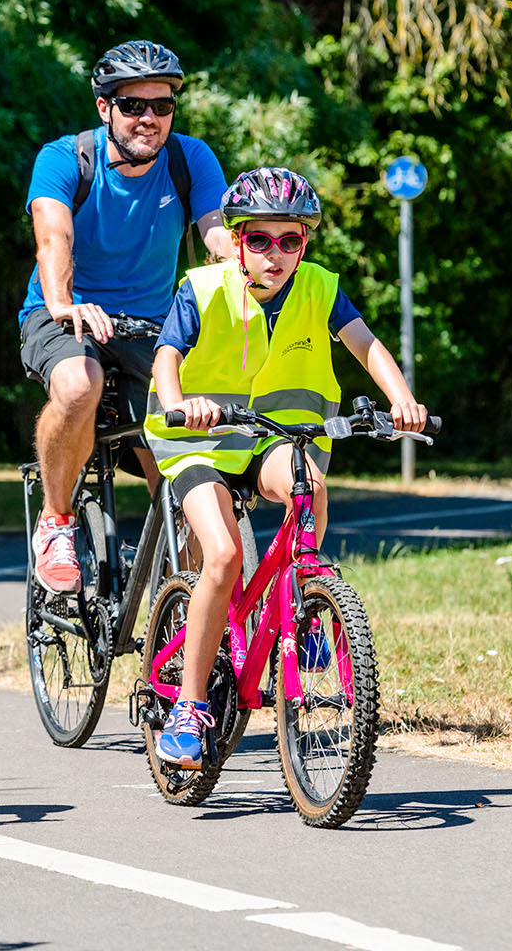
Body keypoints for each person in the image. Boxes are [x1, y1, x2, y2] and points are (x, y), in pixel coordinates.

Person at [143, 166, 428, 768]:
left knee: (311, 487)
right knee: (222, 555)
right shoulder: (204, 288)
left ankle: (303, 604)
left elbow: (365, 344)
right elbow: (166, 356)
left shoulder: (320, 289)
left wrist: (401, 397)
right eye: (261, 240)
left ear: (306, 244)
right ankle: (190, 708)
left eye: (291, 240)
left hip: (271, 438)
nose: (276, 255)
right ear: (238, 240)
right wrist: (177, 403)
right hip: (198, 443)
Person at [22, 39, 234, 596]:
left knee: (184, 448)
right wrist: (64, 300)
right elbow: (53, 235)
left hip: (153, 329)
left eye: (162, 106)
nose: (149, 119)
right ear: (104, 107)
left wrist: (244, 259)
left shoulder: (191, 160)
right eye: (133, 105)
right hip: (64, 312)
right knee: (76, 382)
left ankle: (190, 615)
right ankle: (57, 520)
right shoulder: (66, 158)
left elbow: (214, 227)